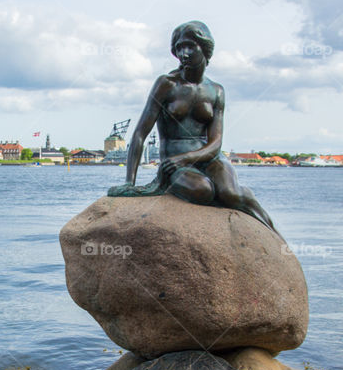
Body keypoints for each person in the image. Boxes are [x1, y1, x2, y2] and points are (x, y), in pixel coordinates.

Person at [108, 21, 277, 234]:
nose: (183, 53)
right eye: (178, 48)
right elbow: (141, 132)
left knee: (231, 194)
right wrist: (129, 182)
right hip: (175, 162)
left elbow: (216, 143)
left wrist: (187, 158)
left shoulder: (216, 91)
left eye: (189, 46)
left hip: (209, 158)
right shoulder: (167, 84)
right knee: (203, 191)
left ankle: (271, 232)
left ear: (205, 48)